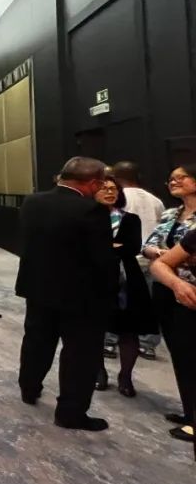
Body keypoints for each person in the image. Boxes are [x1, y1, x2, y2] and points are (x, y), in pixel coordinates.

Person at [17, 157, 117, 431]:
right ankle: (70, 413)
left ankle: (29, 388)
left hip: (38, 287)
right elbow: (102, 260)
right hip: (81, 296)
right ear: (93, 183)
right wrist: (111, 292)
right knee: (80, 354)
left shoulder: (32, 201)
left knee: (36, 341)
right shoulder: (92, 210)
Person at [143, 163, 196, 442]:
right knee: (180, 352)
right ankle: (190, 413)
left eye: (180, 178)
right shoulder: (170, 213)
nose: (173, 182)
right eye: (171, 179)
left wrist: (170, 256)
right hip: (167, 287)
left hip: (190, 291)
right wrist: (163, 254)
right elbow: (148, 246)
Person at [88, 176, 151, 395]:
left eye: (113, 188)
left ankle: (126, 376)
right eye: (104, 188)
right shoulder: (86, 218)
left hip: (127, 279)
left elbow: (133, 247)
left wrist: (106, 247)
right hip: (94, 278)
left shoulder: (130, 218)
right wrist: (112, 246)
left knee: (129, 330)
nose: (109, 192)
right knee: (94, 328)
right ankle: (99, 372)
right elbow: (84, 247)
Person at [110, 161, 165, 360]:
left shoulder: (118, 198)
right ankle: (147, 344)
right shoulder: (155, 200)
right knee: (147, 305)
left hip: (123, 259)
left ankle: (109, 341)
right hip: (149, 258)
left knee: (116, 302)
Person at [148, 226, 196, 447]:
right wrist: (178, 284)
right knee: (185, 360)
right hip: (187, 306)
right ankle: (190, 415)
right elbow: (160, 263)